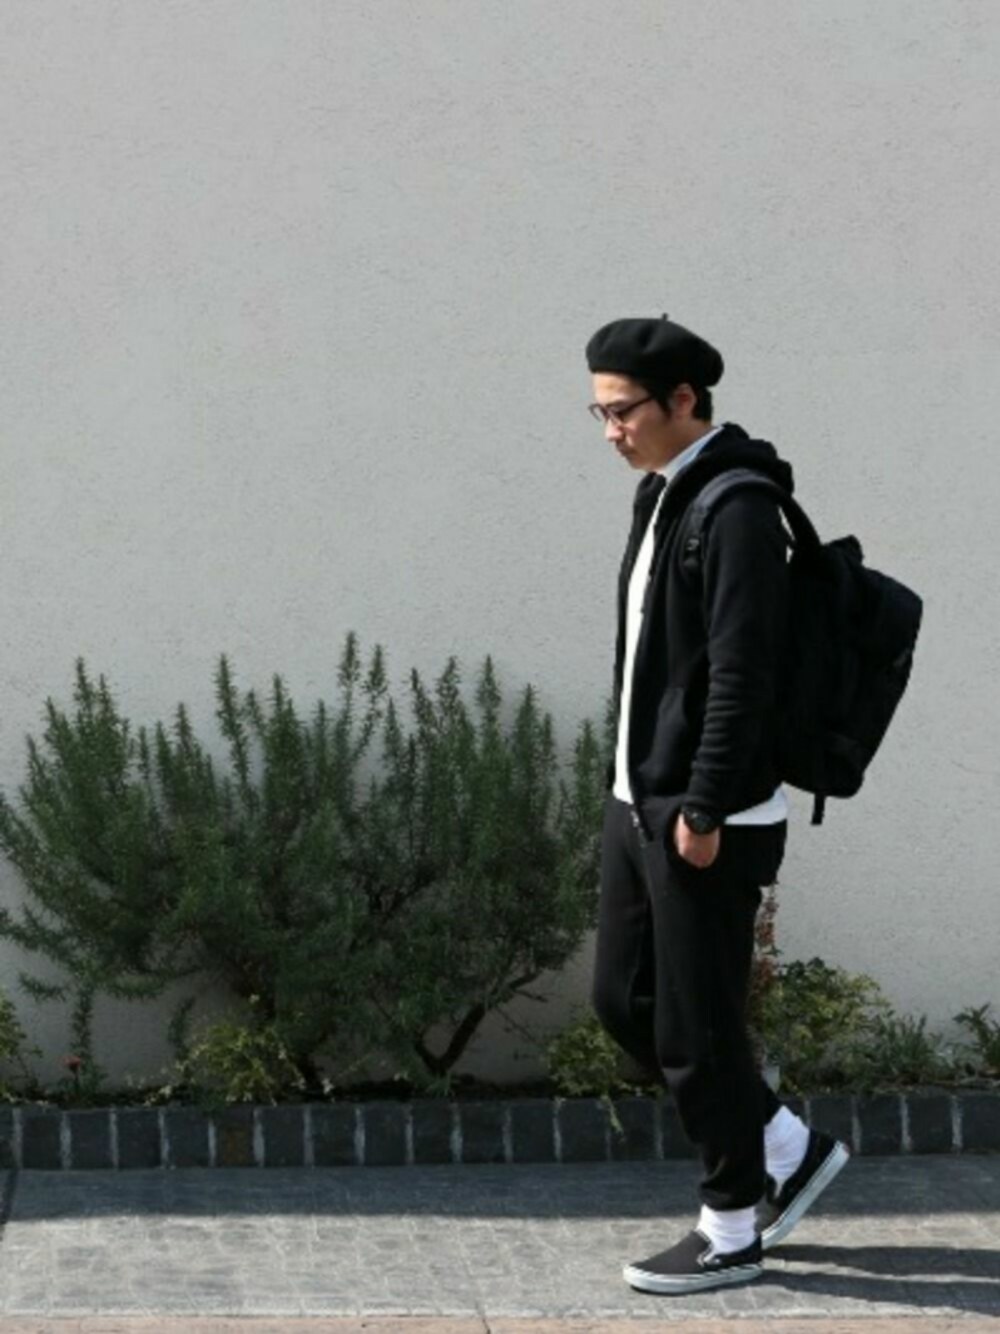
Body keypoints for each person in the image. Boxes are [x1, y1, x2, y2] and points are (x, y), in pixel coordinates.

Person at [585, 314, 849, 1296]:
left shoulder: (735, 507)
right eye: (599, 412)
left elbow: (742, 674)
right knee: (624, 1002)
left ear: (684, 400)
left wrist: (702, 805)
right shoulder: (663, 494)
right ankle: (785, 1145)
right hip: (640, 799)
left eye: (624, 411)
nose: (611, 430)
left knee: (697, 1028)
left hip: (706, 813)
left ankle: (731, 1226)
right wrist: (638, 788)